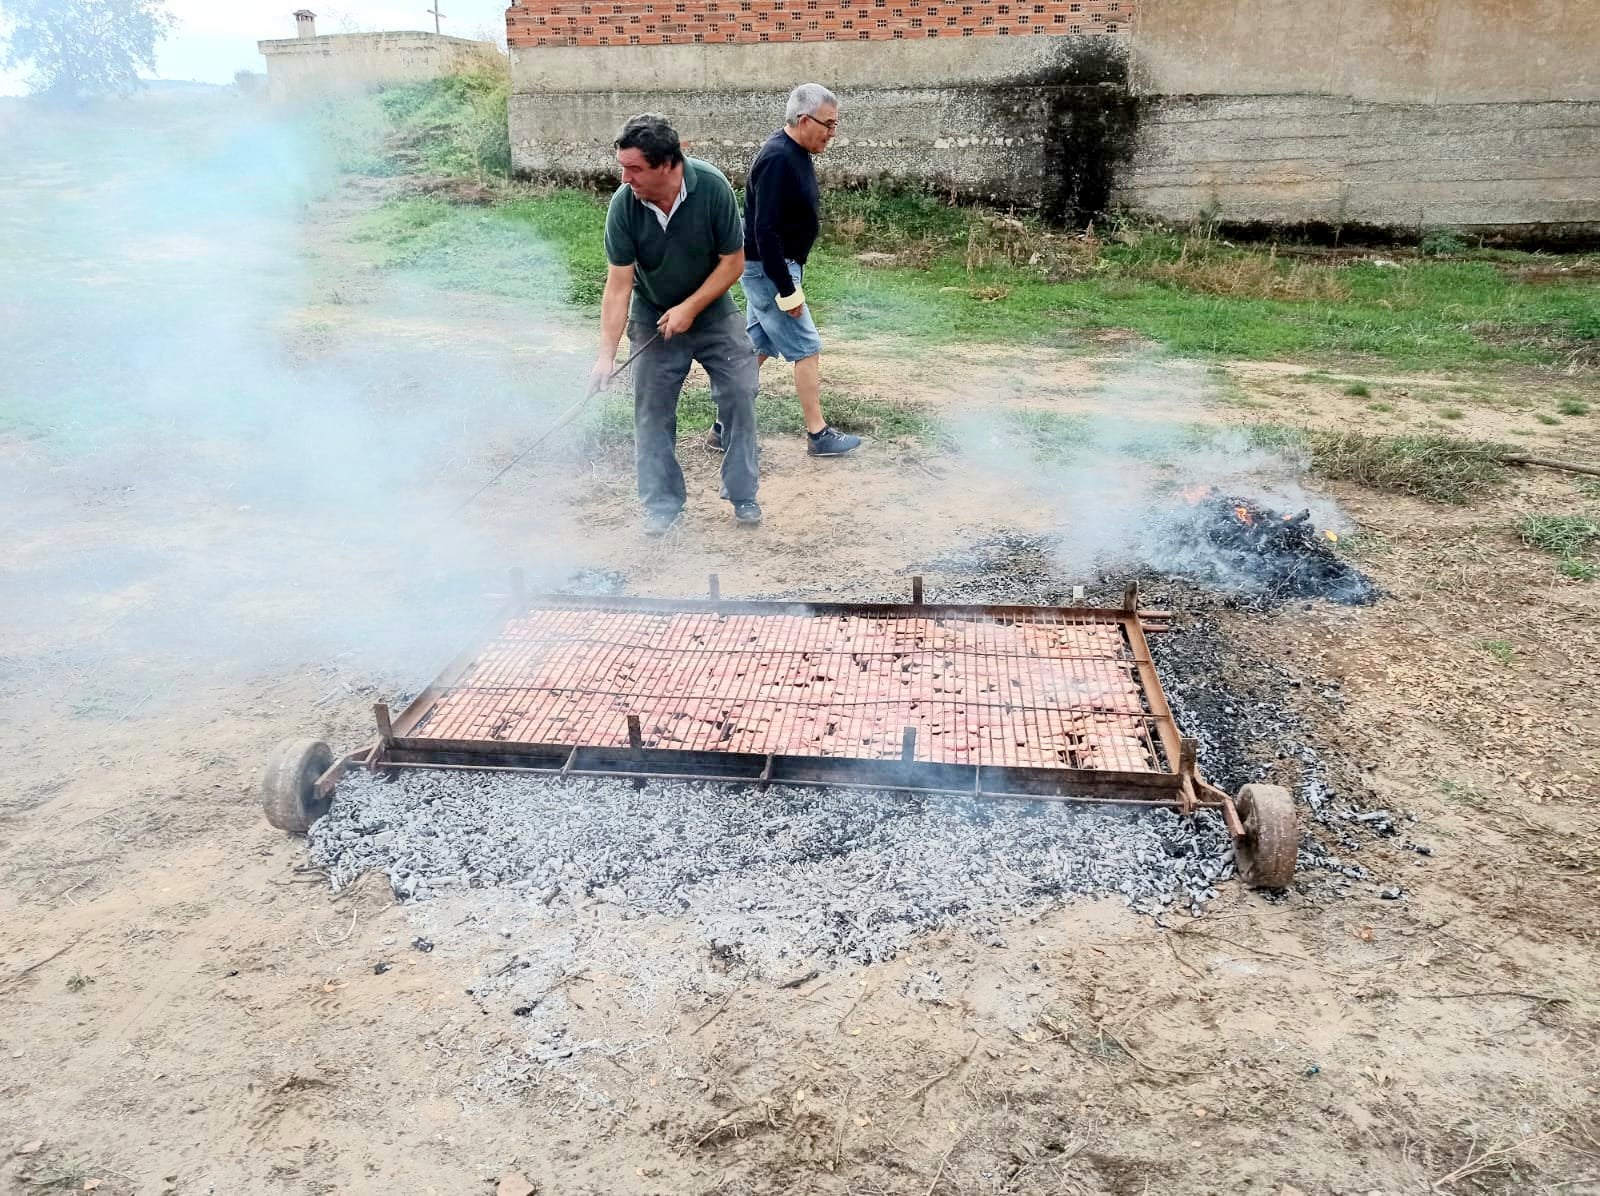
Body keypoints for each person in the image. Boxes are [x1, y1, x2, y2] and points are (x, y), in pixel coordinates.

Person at [588, 114, 761, 535]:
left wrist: (690, 307)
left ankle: (743, 495)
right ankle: (662, 505)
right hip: (653, 315)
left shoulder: (712, 187)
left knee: (740, 392)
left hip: (712, 308)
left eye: (635, 169)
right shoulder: (623, 206)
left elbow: (733, 263)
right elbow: (618, 287)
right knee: (651, 408)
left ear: (667, 163)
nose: (625, 177)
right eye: (622, 166)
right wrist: (605, 357)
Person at [712, 83, 860, 459]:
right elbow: (765, 228)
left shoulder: (793, 152)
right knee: (806, 348)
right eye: (827, 124)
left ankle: (722, 428)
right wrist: (786, 289)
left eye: (835, 125)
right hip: (770, 270)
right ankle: (818, 434)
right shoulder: (779, 157)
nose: (832, 133)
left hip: (769, 268)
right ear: (803, 119)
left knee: (756, 348)